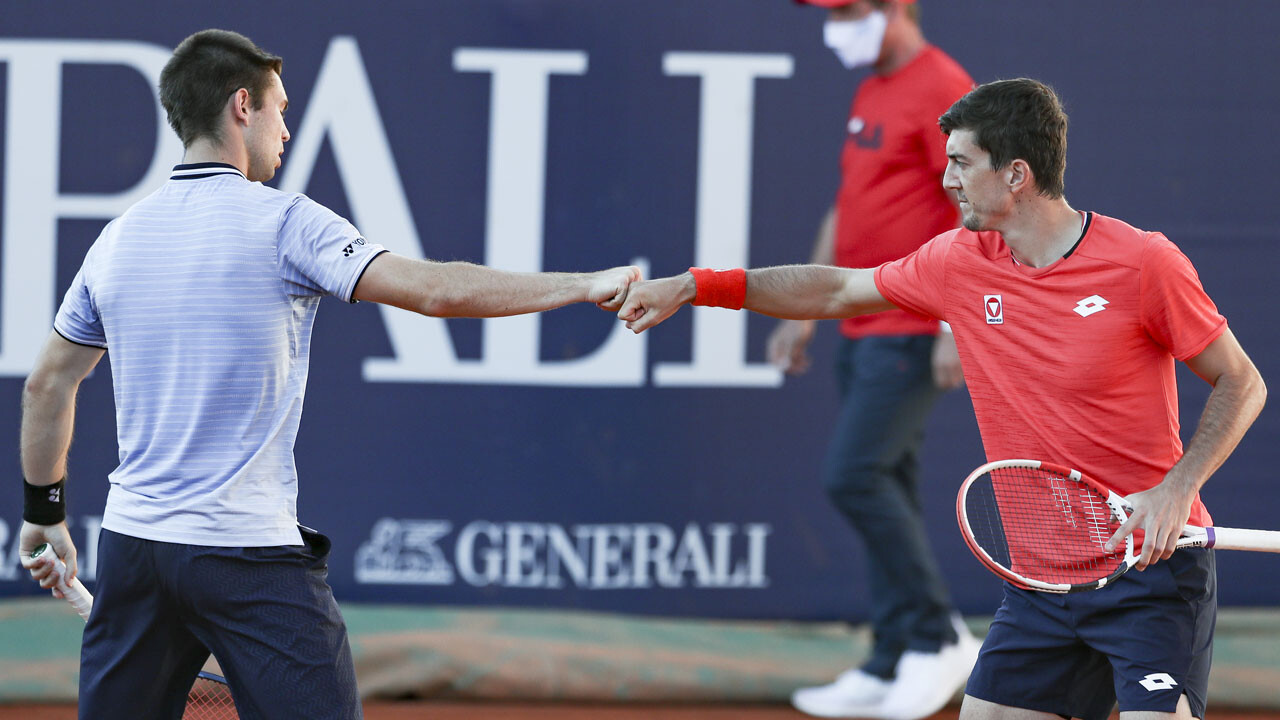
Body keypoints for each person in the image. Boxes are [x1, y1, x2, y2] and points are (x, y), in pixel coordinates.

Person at [18, 29, 638, 720]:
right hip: (245, 556)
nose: (287, 129)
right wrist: (583, 284)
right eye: (282, 109)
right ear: (242, 105)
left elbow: (48, 384)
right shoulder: (285, 222)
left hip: (137, 553)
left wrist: (44, 515)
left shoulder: (117, 240)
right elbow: (437, 292)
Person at [617, 78, 1266, 720]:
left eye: (960, 162)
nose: (946, 178)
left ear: (1016, 174)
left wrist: (1179, 487)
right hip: (1042, 583)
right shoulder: (960, 262)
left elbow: (1243, 381)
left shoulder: (1144, 263)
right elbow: (835, 291)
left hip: (1149, 575)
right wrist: (698, 286)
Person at [770, 2, 977, 717]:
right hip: (858, 323)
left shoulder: (945, 87)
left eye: (850, 11)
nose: (836, 27)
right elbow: (849, 203)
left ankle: (937, 636)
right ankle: (894, 655)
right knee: (889, 480)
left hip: (913, 321)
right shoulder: (872, 89)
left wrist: (956, 321)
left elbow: (973, 208)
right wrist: (807, 305)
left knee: (853, 475)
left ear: (899, 8)